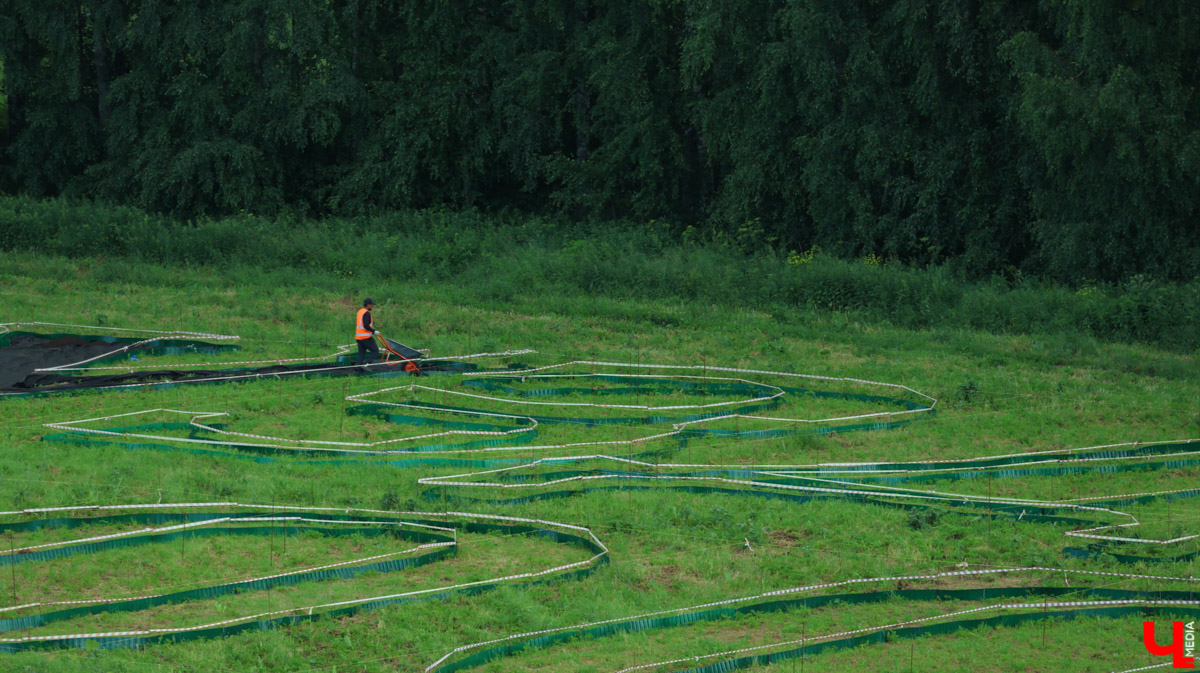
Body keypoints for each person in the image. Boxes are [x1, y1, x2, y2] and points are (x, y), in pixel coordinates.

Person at [355, 298, 380, 365]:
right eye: (372, 305)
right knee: (375, 350)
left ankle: (358, 367)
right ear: (368, 305)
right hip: (365, 337)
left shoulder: (360, 311)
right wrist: (374, 331)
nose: (373, 306)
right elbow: (366, 325)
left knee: (361, 354)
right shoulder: (366, 313)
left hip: (358, 337)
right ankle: (367, 363)